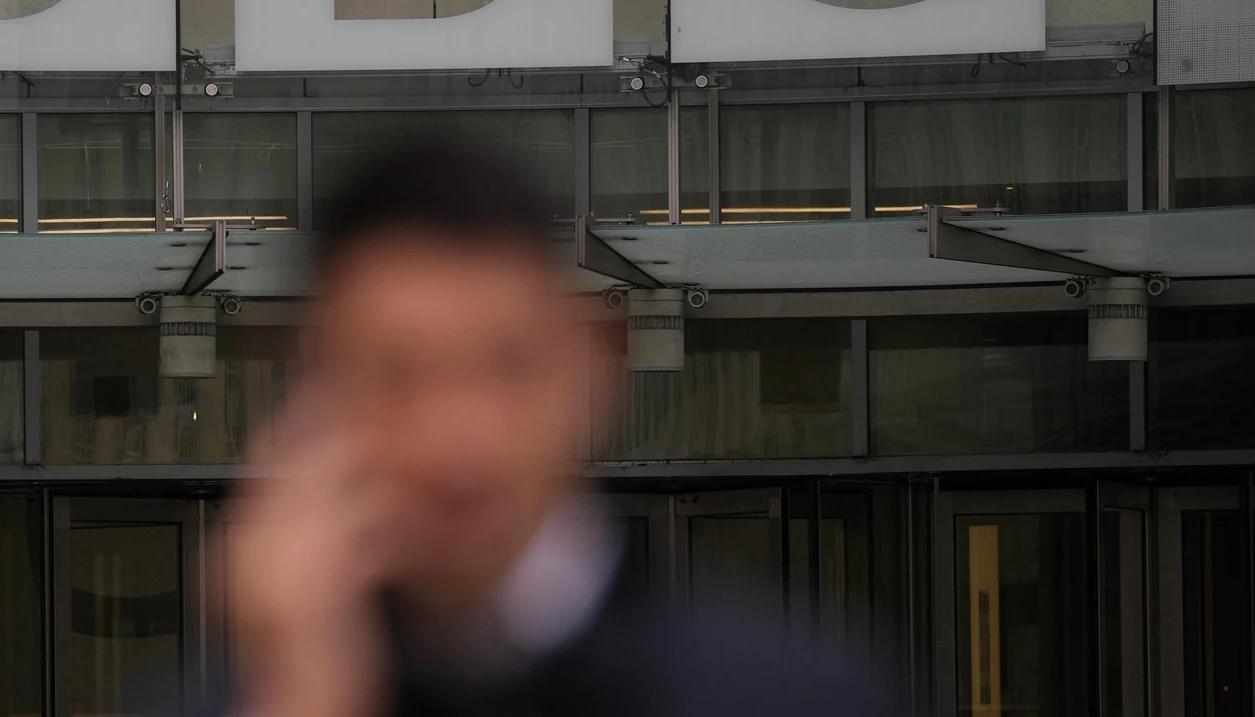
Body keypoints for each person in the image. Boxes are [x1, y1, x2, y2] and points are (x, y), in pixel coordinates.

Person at [223, 138, 898, 717]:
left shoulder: (787, 694)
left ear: (591, 367)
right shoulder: (248, 697)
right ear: (318, 390)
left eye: (508, 364)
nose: (458, 433)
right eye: (399, 374)